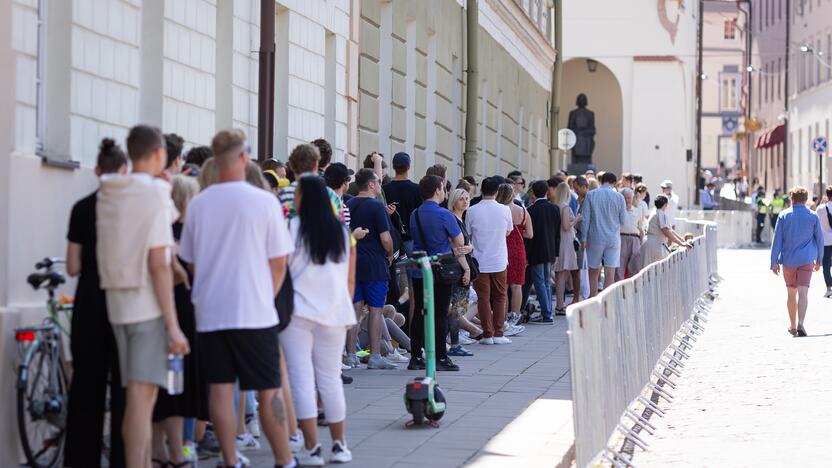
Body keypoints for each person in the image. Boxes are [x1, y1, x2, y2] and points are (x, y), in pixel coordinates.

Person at [179, 129, 295, 468]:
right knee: (268, 389)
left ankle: (230, 460)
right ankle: (284, 459)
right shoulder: (264, 202)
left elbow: (190, 260)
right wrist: (265, 296)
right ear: (244, 157)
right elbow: (279, 264)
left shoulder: (199, 203)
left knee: (219, 388)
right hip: (255, 311)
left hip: (212, 311)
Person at [96, 125, 190, 468]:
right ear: (157, 154)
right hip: (147, 305)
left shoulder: (111, 189)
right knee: (142, 398)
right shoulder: (152, 194)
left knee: (136, 398)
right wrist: (173, 324)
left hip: (117, 301)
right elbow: (158, 264)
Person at [281, 176, 355, 465]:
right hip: (334, 312)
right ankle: (340, 444)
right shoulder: (340, 231)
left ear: (303, 197)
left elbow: (279, 270)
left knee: (301, 379)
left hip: (297, 311)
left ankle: (312, 448)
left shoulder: (290, 228)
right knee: (330, 379)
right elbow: (349, 277)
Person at [64, 139, 128, 468]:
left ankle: (79, 459)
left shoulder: (82, 207)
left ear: (97, 170)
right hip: (123, 298)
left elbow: (72, 265)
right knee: (122, 387)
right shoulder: (131, 208)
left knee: (85, 385)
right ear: (125, 170)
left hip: (88, 299)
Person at [151, 175, 208, 468]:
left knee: (162, 380)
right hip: (186, 312)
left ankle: (158, 447)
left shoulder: (163, 229)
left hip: (158, 309)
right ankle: (182, 448)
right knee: (179, 383)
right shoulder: (193, 232)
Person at [408, 175, 469, 370]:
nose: (445, 192)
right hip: (441, 269)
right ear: (437, 190)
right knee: (440, 314)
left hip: (420, 269)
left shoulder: (414, 214)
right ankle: (441, 357)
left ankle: (416, 356)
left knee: (420, 312)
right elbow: (460, 242)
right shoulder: (444, 214)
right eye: (443, 188)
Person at [346, 168, 396, 369]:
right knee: (376, 310)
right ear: (371, 184)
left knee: (354, 310)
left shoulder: (348, 203)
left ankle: (350, 354)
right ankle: (375, 356)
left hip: (353, 262)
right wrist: (391, 252)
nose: (380, 185)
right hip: (374, 264)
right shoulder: (376, 206)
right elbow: (385, 238)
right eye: (378, 181)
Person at [770, 187, 824, 337]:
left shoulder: (783, 216)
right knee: (804, 293)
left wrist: (773, 261)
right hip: (807, 259)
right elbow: (820, 239)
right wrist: (819, 259)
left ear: (791, 199)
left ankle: (793, 326)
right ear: (806, 200)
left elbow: (777, 241)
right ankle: (801, 323)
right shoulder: (813, 216)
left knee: (791, 293)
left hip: (789, 261)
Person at [467, 177, 514, 342]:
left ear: (481, 191)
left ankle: (487, 333)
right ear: (497, 192)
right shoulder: (504, 210)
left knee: (483, 297)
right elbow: (509, 231)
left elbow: (468, 234)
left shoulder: (472, 210)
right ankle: (499, 332)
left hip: (479, 259)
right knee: (500, 296)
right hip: (499, 258)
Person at [581, 172, 627, 297]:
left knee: (593, 271)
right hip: (613, 238)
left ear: (601, 181)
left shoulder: (591, 195)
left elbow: (585, 219)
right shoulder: (619, 197)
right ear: (614, 182)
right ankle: (607, 302)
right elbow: (623, 220)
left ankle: (592, 300)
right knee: (610, 272)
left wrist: (583, 239)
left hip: (595, 237)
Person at [496, 184, 533, 324]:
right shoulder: (523, 211)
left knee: (503, 286)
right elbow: (530, 234)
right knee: (517, 286)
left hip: (502, 249)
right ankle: (515, 316)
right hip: (518, 250)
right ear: (512, 195)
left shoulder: (499, 211)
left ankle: (503, 318)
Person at [278, 144, 344, 221]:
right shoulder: (332, 195)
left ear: (291, 165)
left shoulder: (282, 194)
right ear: (316, 165)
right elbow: (341, 228)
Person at [447, 188, 476, 357]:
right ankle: (455, 343)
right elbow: (457, 248)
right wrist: (466, 270)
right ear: (454, 201)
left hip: (462, 265)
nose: (465, 201)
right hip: (458, 268)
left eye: (467, 198)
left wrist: (470, 247)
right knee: (456, 308)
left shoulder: (460, 219)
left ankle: (454, 340)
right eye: (461, 199)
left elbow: (466, 245)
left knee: (459, 308)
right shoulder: (453, 219)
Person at [382, 152, 422, 254]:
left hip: (390, 236)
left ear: (393, 167)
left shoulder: (385, 189)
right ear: (408, 167)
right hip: (410, 237)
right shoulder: (417, 189)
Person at [551, 182, 580, 313]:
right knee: (562, 274)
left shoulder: (555, 206)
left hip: (558, 241)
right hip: (565, 241)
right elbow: (566, 226)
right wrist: (577, 219)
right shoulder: (565, 207)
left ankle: (559, 304)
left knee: (559, 275)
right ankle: (559, 305)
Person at [641, 195, 692, 266]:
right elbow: (666, 231)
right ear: (665, 205)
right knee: (655, 269)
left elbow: (670, 230)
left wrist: (683, 241)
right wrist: (681, 243)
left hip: (651, 242)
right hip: (655, 244)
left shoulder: (656, 212)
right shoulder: (660, 213)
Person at [616, 188, 643, 281]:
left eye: (629, 198)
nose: (627, 200)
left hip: (635, 239)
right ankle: (619, 290)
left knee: (635, 266)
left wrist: (641, 242)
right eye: (625, 198)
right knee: (619, 266)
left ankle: (633, 289)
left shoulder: (637, 211)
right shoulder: (618, 211)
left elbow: (641, 228)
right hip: (621, 238)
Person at [815, 186, 832, 298]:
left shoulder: (821, 209)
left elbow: (816, 224)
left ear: (827, 196)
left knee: (826, 265)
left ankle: (829, 288)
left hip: (826, 241)